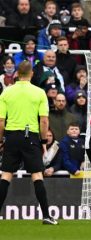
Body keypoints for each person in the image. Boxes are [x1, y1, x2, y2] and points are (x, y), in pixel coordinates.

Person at [0, 60, 58, 224]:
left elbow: (1, 121)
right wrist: (44, 141)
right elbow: (44, 121)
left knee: (5, 176)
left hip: (11, 136)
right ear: (32, 74)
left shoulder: (6, 92)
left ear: (17, 74)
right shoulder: (39, 92)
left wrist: (0, 139)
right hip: (30, 136)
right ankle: (46, 216)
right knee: (37, 175)